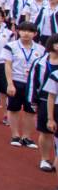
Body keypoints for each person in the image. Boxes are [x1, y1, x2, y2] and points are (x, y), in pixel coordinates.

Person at [6, 21, 43, 148]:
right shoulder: (11, 46)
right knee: (14, 108)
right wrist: (10, 84)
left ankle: (26, 137)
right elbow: (8, 65)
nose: (26, 34)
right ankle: (15, 135)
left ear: (35, 34)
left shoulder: (41, 49)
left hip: (32, 84)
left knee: (30, 111)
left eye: (30, 31)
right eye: (23, 30)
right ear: (18, 31)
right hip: (16, 81)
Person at [31, 36, 58, 174]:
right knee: (45, 131)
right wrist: (33, 99)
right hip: (44, 99)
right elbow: (33, 81)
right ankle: (45, 158)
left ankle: (56, 161)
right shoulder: (41, 62)